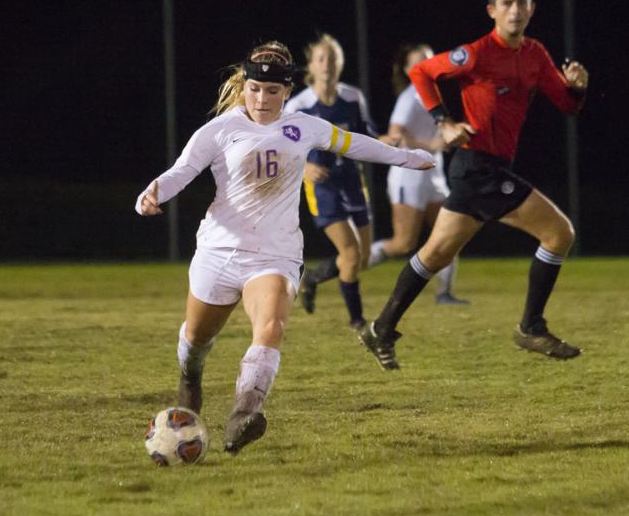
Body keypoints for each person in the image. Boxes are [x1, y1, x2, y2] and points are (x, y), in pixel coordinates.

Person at [136, 41, 433, 454]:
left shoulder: (303, 126)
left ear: (287, 91)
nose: (262, 98)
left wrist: (407, 158)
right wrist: (152, 195)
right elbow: (182, 170)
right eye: (255, 89)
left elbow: (353, 142)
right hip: (219, 253)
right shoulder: (219, 130)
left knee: (271, 326)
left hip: (275, 255)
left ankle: (244, 413)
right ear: (244, 85)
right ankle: (190, 377)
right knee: (196, 341)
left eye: (272, 91)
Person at [358, 0, 588, 370]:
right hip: (479, 165)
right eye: (507, 3)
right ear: (492, 11)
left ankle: (381, 326)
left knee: (434, 254)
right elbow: (421, 73)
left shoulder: (535, 55)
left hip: (480, 169)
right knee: (559, 232)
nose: (515, 10)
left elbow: (567, 106)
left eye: (521, 3)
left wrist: (578, 88)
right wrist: (443, 121)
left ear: (532, 9)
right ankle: (531, 326)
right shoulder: (476, 53)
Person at [286, 34, 378, 330]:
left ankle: (312, 278)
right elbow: (282, 150)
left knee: (361, 258)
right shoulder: (298, 106)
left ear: (341, 64)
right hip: (322, 187)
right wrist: (303, 169)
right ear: (311, 66)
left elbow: (368, 136)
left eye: (333, 58)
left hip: (353, 181)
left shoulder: (353, 97)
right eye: (322, 59)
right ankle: (358, 321)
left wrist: (391, 145)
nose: (328, 65)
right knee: (350, 254)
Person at [367, 43, 467, 305]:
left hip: (434, 175)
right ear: (408, 70)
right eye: (418, 61)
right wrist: (431, 146)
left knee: (451, 233)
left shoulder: (434, 95)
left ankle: (445, 293)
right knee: (403, 243)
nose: (425, 65)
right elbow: (397, 134)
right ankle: (348, 263)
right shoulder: (410, 96)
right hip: (408, 175)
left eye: (429, 60)